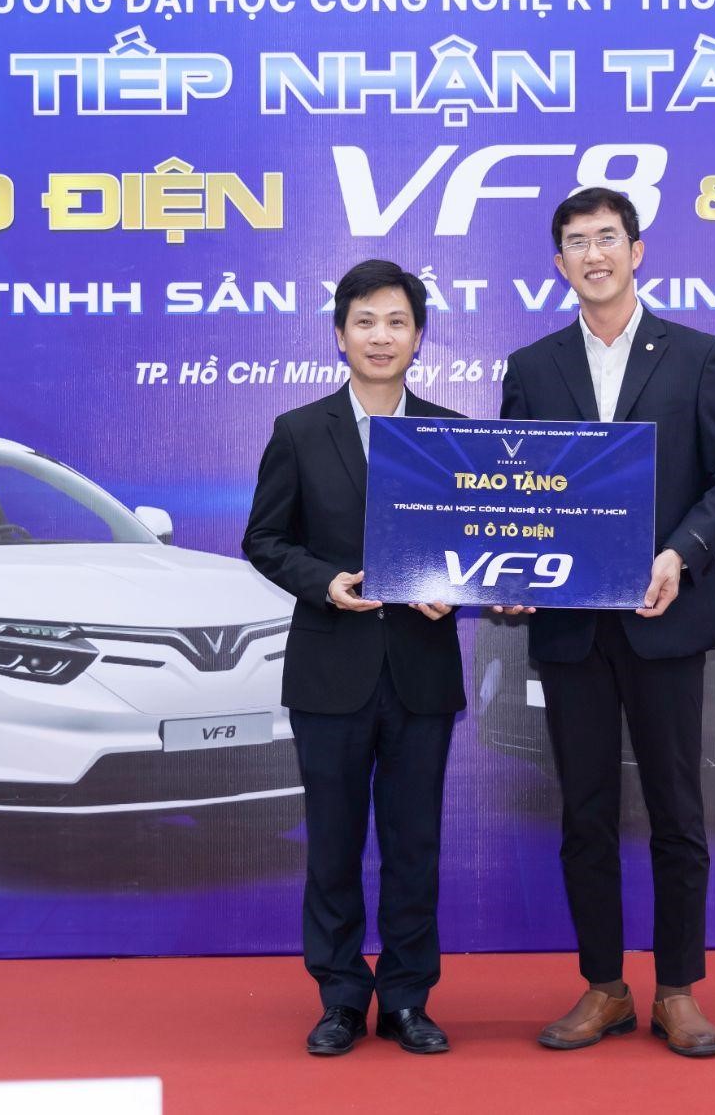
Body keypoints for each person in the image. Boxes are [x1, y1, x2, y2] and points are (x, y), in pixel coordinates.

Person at [497, 187, 715, 1059]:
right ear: (559, 263)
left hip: (664, 615)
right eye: (576, 242)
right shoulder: (533, 367)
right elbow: (517, 494)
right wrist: (508, 574)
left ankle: (677, 988)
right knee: (585, 812)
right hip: (572, 626)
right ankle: (605, 986)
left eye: (607, 237)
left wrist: (680, 552)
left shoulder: (696, 355)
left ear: (636, 251)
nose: (594, 254)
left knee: (677, 809)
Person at [243, 259, 466, 1057]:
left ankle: (407, 997)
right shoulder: (299, 431)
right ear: (340, 335)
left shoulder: (450, 435)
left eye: (397, 321)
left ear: (419, 337)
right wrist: (323, 582)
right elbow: (265, 539)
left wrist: (457, 588)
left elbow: (476, 542)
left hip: (420, 672)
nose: (381, 335)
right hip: (329, 671)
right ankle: (340, 994)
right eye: (365, 321)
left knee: (414, 846)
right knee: (333, 846)